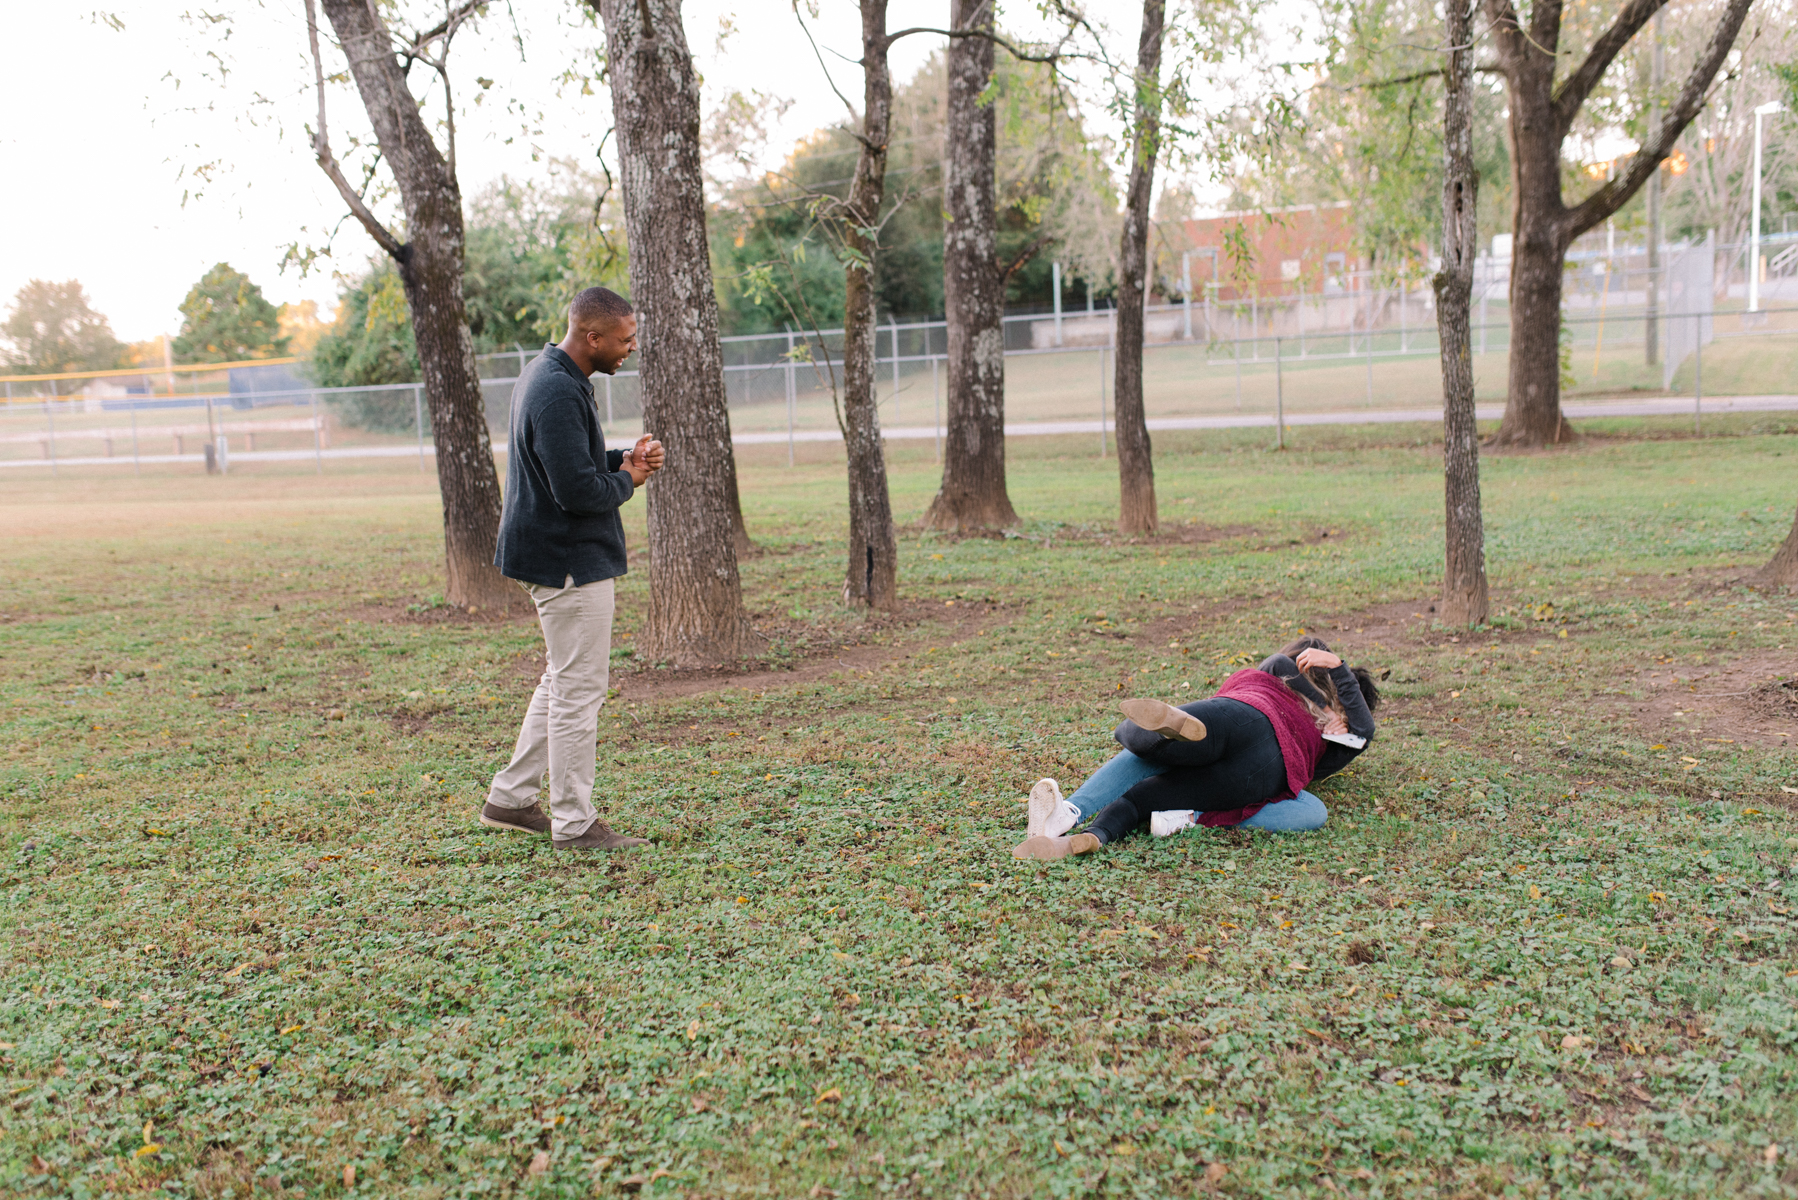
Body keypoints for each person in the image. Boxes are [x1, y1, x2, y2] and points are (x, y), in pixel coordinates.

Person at [479, 287, 664, 852]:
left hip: (554, 553)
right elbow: (575, 490)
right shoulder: (557, 391)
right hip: (567, 562)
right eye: (625, 339)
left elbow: (567, 461)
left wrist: (620, 460)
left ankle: (509, 800)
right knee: (578, 691)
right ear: (592, 337)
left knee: (562, 681)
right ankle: (575, 824)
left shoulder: (548, 373)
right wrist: (628, 480)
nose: (631, 348)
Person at [1015, 636, 1379, 859]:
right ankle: (1096, 836)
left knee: (1144, 750)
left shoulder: (1310, 714)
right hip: (1256, 778)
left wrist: (1335, 672)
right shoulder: (1326, 744)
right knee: (1143, 801)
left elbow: (1282, 666)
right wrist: (1331, 704)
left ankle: (1071, 811)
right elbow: (1358, 728)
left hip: (1242, 717)